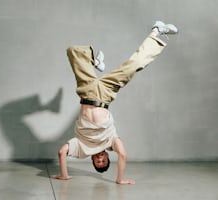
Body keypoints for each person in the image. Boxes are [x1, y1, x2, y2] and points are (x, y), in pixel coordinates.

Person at [54, 21, 178, 184]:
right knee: (133, 65)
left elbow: (62, 152)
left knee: (73, 51)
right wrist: (120, 179)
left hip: (87, 91)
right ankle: (156, 32)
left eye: (97, 162)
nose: (100, 159)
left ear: (91, 159)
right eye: (103, 161)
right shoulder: (111, 141)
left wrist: (64, 174)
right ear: (106, 156)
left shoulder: (81, 148)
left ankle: (95, 63)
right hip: (105, 94)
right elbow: (123, 154)